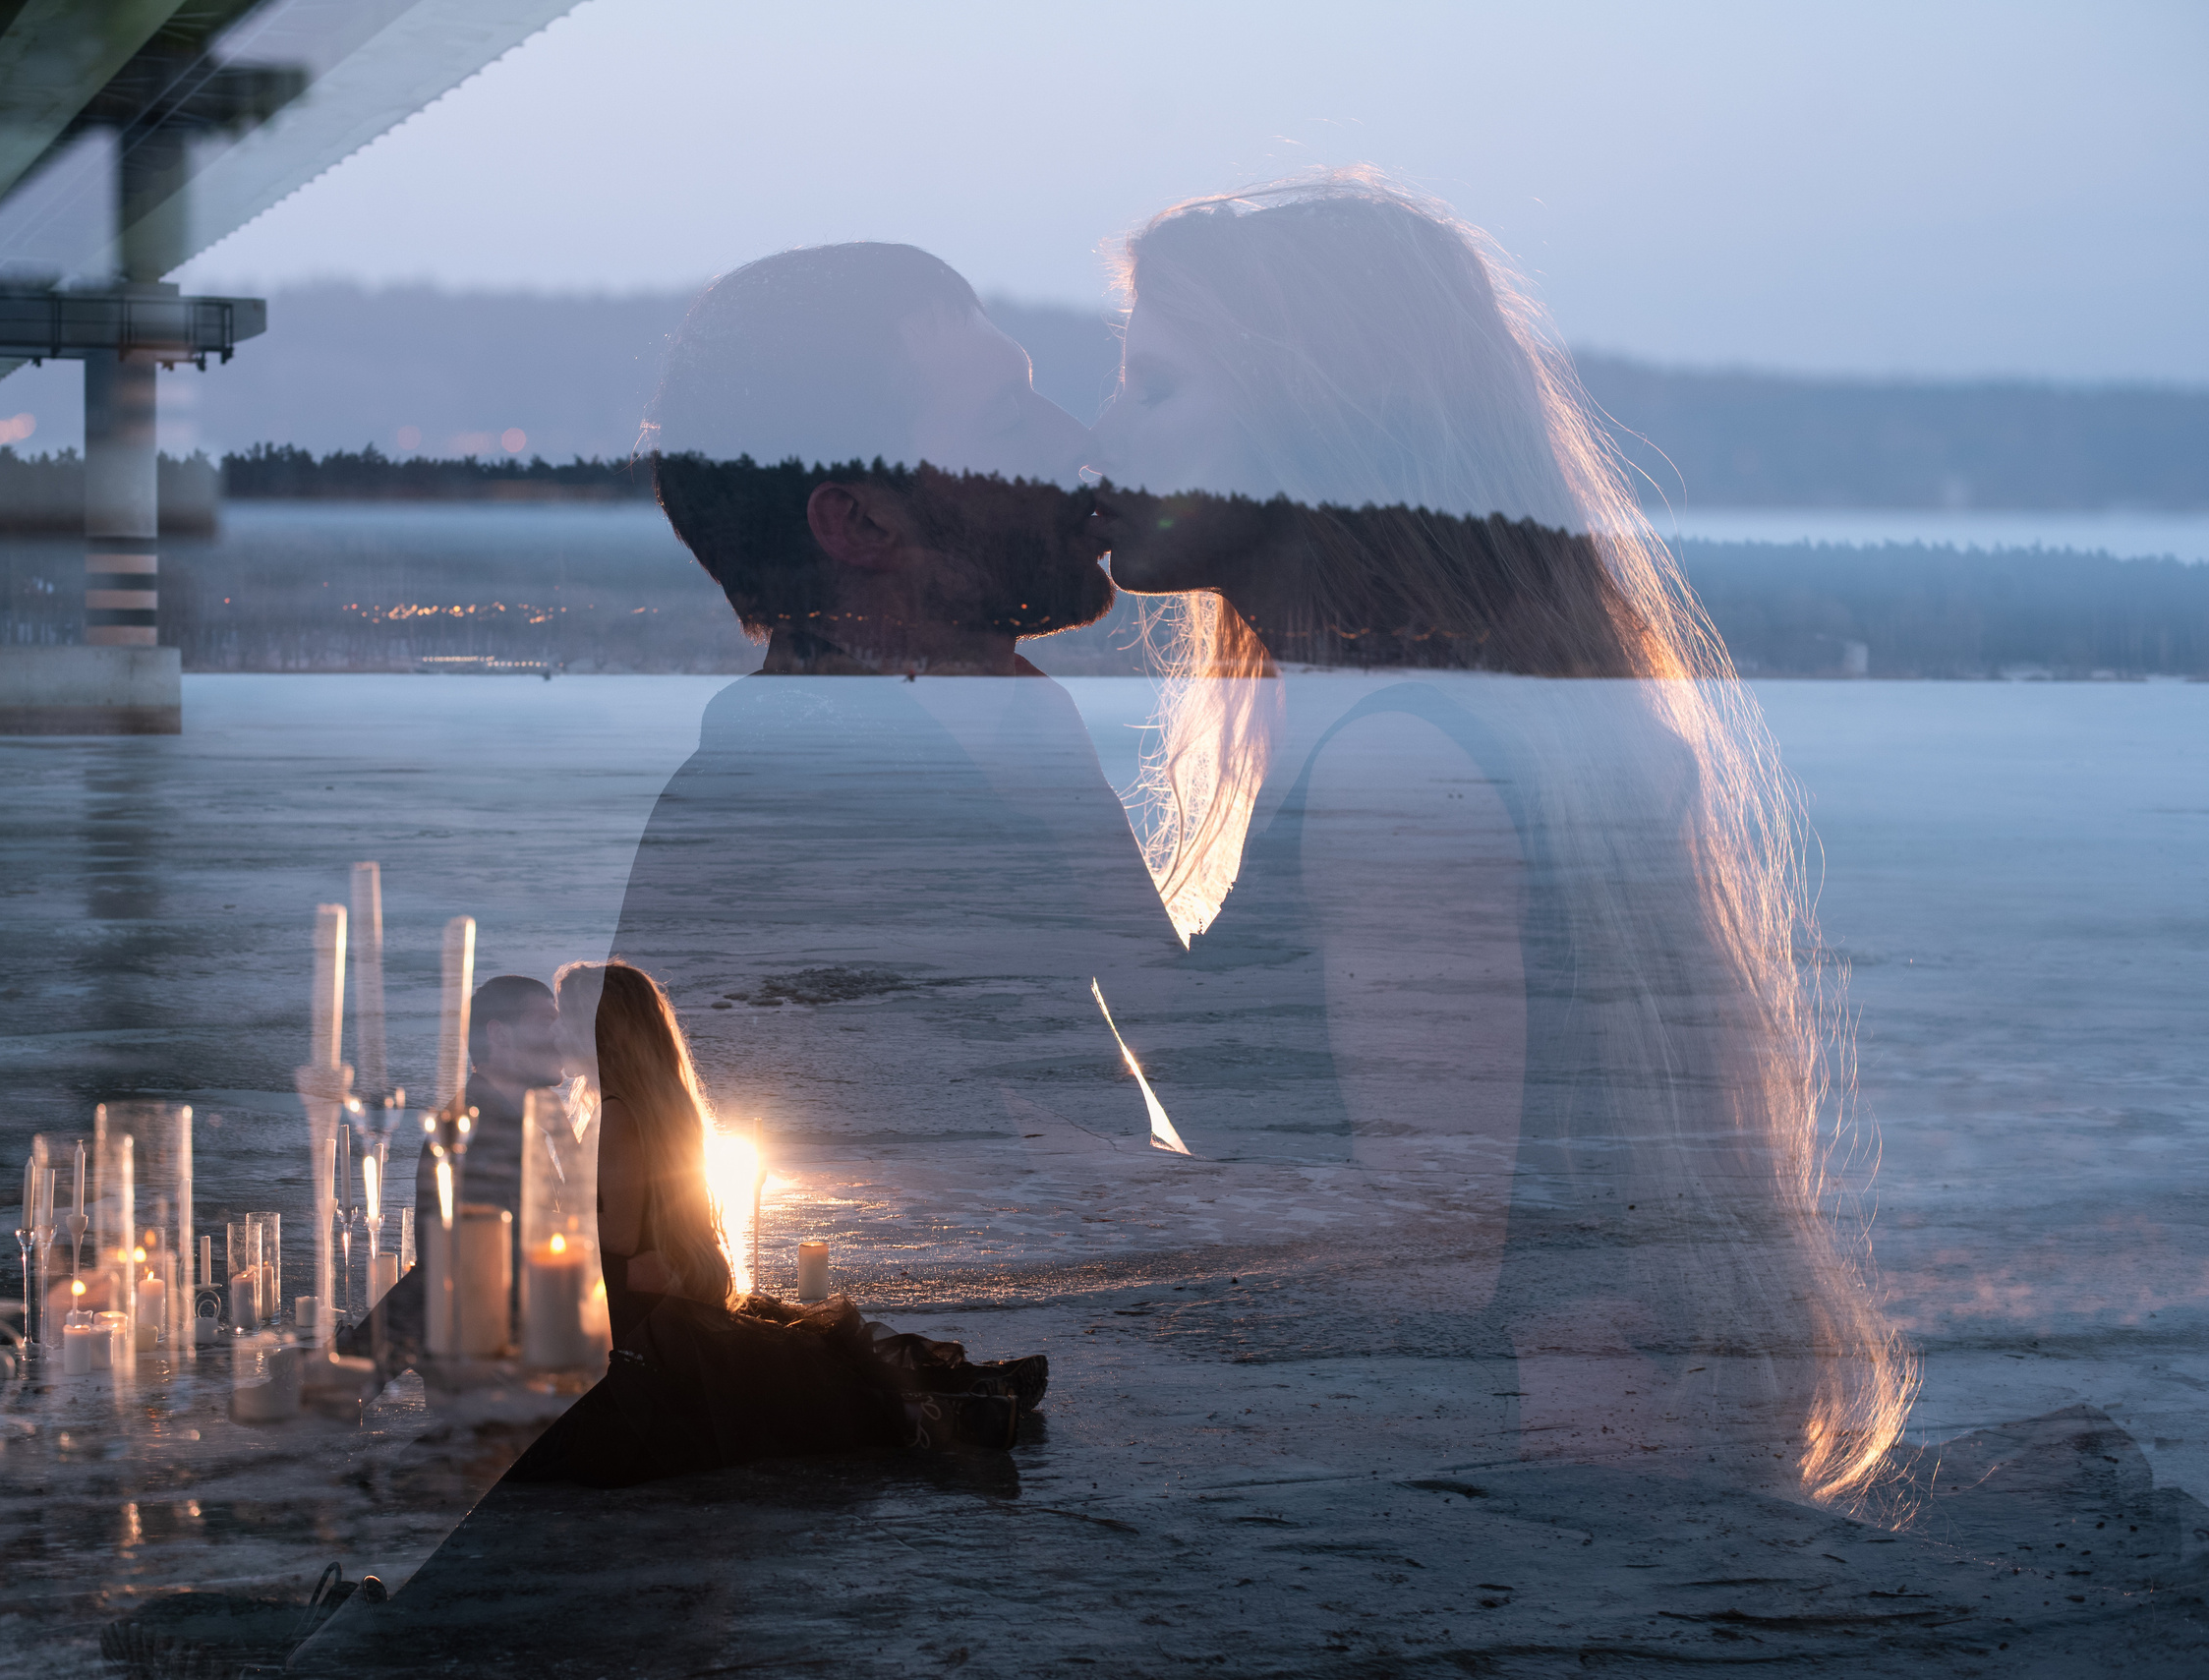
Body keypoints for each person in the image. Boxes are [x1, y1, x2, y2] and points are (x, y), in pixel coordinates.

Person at [1085, 169, 1912, 1505]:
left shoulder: (1403, 762)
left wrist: (1080, 1190)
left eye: (1159, 389)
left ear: (1319, 419)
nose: (1099, 435)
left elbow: (1430, 1243)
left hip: (1506, 1504)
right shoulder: (1411, 725)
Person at [618, 242, 1186, 1169]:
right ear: (861, 523)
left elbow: (1226, 1090)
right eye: (1009, 418)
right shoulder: (783, 829)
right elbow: (998, 1227)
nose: (1075, 443)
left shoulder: (993, 749)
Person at [508, 961, 1043, 1487]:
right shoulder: (641, 1104)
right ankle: (975, 1383)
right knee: (799, 1360)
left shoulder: (616, 1113)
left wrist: (536, 1223)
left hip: (637, 1308)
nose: (554, 1031)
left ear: (597, 1026)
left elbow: (618, 1238)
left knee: (774, 1387)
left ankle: (951, 1412)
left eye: (564, 1017)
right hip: (658, 1293)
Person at [339, 974, 565, 1373]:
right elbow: (451, 1274)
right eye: (546, 1021)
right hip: (496, 1383)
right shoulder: (472, 1133)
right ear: (500, 1035)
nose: (560, 1034)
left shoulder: (514, 1121)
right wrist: (352, 1372)